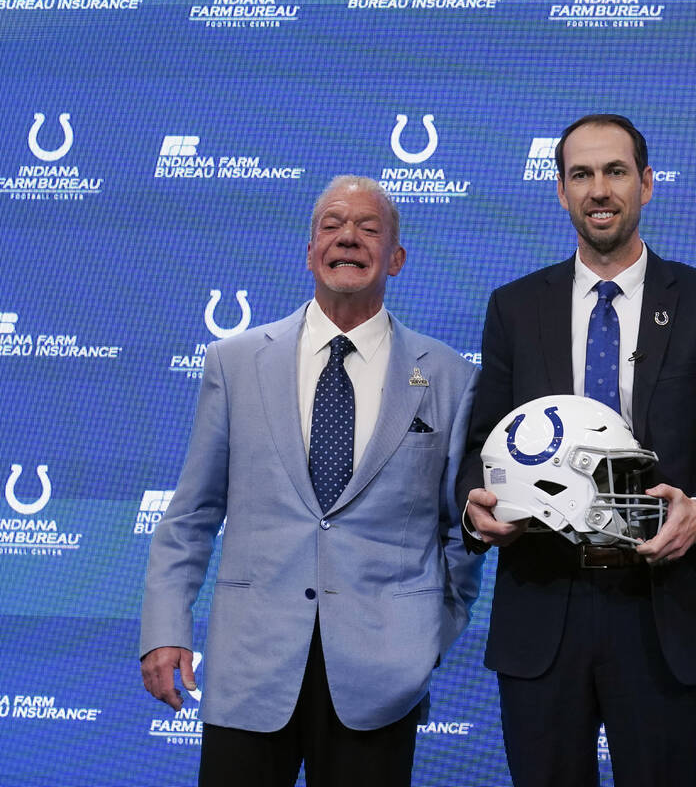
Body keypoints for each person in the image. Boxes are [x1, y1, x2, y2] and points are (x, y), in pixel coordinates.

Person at [456, 114, 696, 787]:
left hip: (665, 616)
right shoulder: (514, 308)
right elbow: (480, 448)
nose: (599, 190)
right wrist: (474, 511)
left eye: (615, 171)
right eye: (581, 175)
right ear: (561, 192)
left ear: (647, 184)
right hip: (543, 610)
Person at [139, 175, 481, 786]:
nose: (348, 237)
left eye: (369, 228)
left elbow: (461, 531)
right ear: (309, 251)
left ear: (396, 259)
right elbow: (191, 515)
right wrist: (166, 629)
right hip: (250, 668)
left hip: (383, 675)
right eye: (331, 224)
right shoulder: (235, 362)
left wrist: (428, 637)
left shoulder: (451, 376)